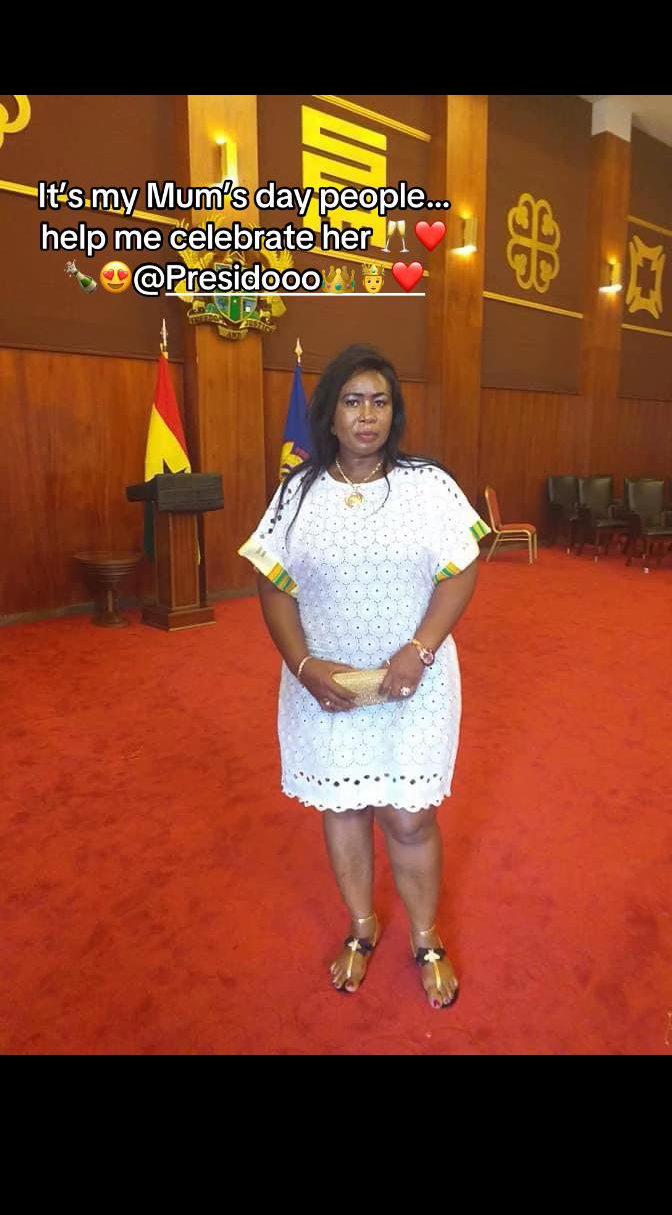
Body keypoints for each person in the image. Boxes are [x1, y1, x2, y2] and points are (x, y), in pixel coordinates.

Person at [239, 344, 489, 1009]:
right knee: (345, 807)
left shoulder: (427, 486)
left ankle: (426, 937)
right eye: (353, 401)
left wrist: (420, 649)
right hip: (328, 689)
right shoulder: (297, 493)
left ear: (394, 412)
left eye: (379, 401)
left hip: (415, 682)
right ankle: (361, 924)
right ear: (330, 413)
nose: (367, 415)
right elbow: (272, 581)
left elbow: (461, 566)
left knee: (409, 818)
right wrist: (303, 665)